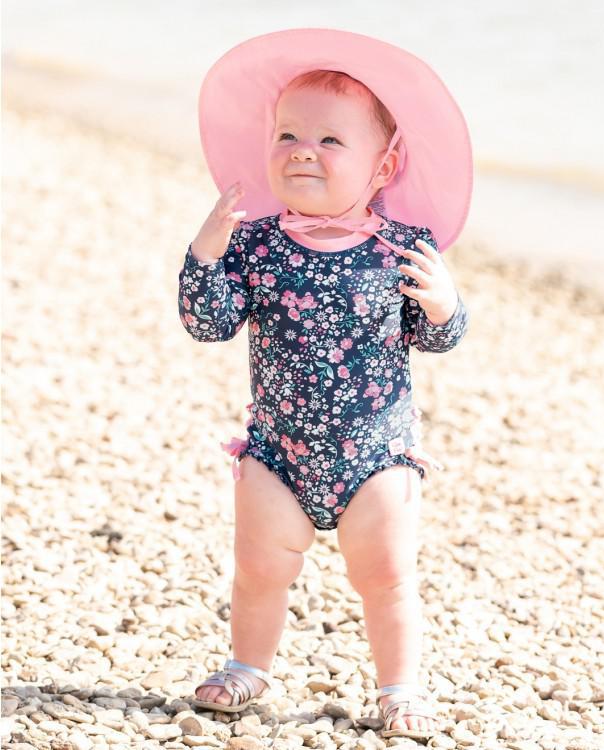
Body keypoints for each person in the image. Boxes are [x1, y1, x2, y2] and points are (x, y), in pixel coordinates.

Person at [178, 28, 472, 741]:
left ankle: (400, 689)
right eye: (286, 135)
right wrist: (203, 255)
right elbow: (209, 324)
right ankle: (247, 666)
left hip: (376, 452)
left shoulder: (402, 247)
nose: (302, 150)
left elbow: (433, 337)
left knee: (386, 577)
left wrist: (444, 304)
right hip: (278, 449)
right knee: (257, 567)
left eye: (330, 141)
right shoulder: (254, 242)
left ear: (384, 167)